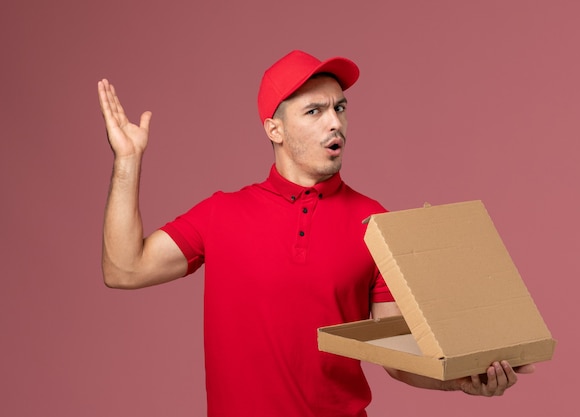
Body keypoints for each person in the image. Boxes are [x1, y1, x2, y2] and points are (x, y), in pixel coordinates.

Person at [98, 50, 534, 416]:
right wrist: (128, 161)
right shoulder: (221, 214)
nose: (335, 123)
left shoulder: (374, 222)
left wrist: (459, 380)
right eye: (315, 111)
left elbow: (397, 356)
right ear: (275, 129)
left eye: (339, 108)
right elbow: (125, 269)